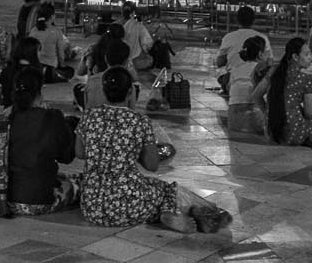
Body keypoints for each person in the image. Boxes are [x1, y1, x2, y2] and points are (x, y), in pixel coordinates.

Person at [80, 66, 226, 234]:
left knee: (148, 185)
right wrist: (135, 152)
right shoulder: (139, 121)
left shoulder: (89, 116)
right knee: (166, 189)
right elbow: (152, 165)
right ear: (130, 93)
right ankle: (172, 214)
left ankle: (197, 215)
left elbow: (80, 152)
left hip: (92, 206)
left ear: (104, 92)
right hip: (128, 207)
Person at [0, 66, 79, 215]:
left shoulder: (7, 117)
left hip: (6, 199)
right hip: (39, 200)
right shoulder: (52, 117)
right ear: (40, 89)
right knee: (78, 183)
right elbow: (66, 156)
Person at [262, 37, 312, 149]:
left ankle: (308, 137)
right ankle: (310, 137)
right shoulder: (305, 78)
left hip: (271, 132)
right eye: (306, 54)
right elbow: (308, 113)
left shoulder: (274, 71)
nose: (310, 58)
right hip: (294, 132)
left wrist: (270, 111)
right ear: (295, 57)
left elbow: (256, 96)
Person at [213, 7, 267, 102]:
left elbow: (219, 62)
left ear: (237, 20)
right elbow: (269, 62)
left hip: (233, 87)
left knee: (221, 74)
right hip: (258, 84)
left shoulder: (229, 37)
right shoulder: (263, 38)